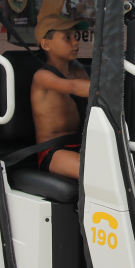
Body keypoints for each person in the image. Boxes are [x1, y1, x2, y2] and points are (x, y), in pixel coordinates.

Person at [30, 14, 91, 179]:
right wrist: (116, 87)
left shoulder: (79, 72)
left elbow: (96, 100)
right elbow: (74, 87)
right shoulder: (43, 77)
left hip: (82, 144)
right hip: (53, 151)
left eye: (75, 36)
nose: (75, 41)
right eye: (67, 37)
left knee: (134, 170)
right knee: (95, 173)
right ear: (46, 44)